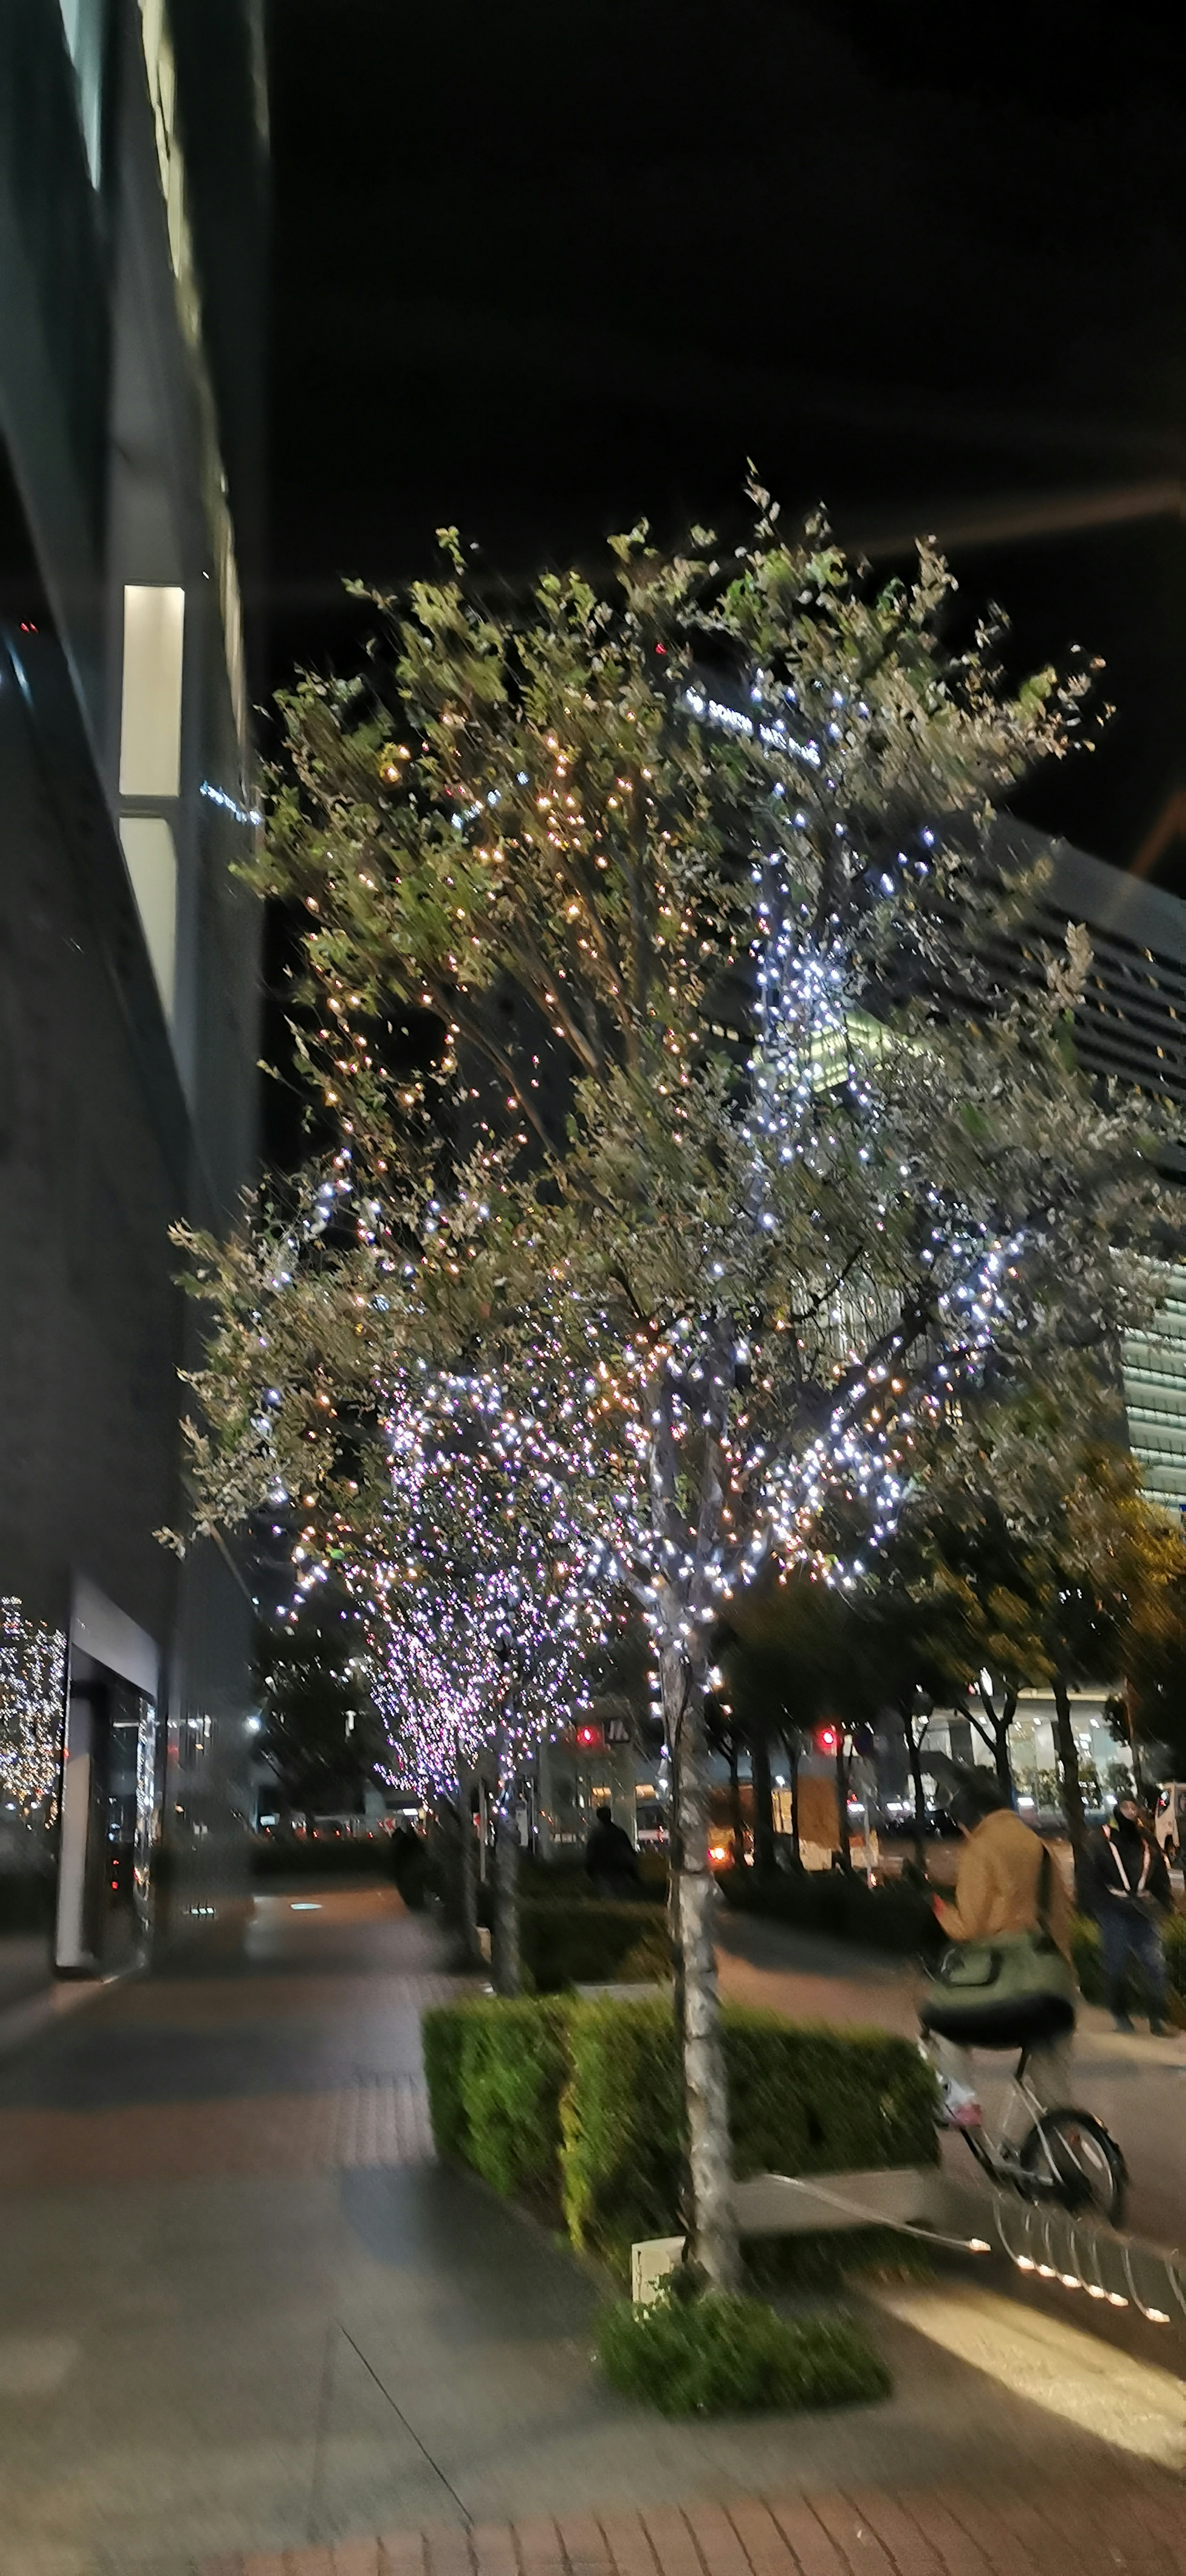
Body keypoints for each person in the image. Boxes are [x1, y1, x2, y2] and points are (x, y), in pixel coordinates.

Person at [925, 1766, 1074, 2129]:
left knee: (942, 2021)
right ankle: (1068, 2150)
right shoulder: (1039, 1848)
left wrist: (941, 1911)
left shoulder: (981, 1848)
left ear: (971, 1821)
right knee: (1052, 2080)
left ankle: (961, 2102)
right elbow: (1062, 1913)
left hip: (1007, 1985)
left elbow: (970, 1926)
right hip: (1055, 1979)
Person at [1085, 1796, 1171, 2035]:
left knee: (1156, 1966)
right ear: (1116, 1812)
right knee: (1116, 1966)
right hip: (1115, 1912)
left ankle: (1157, 2019)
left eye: (1133, 1807)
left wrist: (1164, 1903)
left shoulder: (1147, 1840)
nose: (1130, 1811)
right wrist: (1101, 1906)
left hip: (1144, 1911)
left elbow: (1161, 1874)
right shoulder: (1101, 1841)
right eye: (1125, 1807)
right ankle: (1121, 2017)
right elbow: (1091, 1878)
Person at [584, 1808, 640, 1899]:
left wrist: (590, 1870)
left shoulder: (596, 1834)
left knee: (610, 1896)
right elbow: (629, 1852)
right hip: (619, 1869)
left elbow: (591, 1854)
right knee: (621, 1897)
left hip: (604, 1871)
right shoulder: (618, 1833)